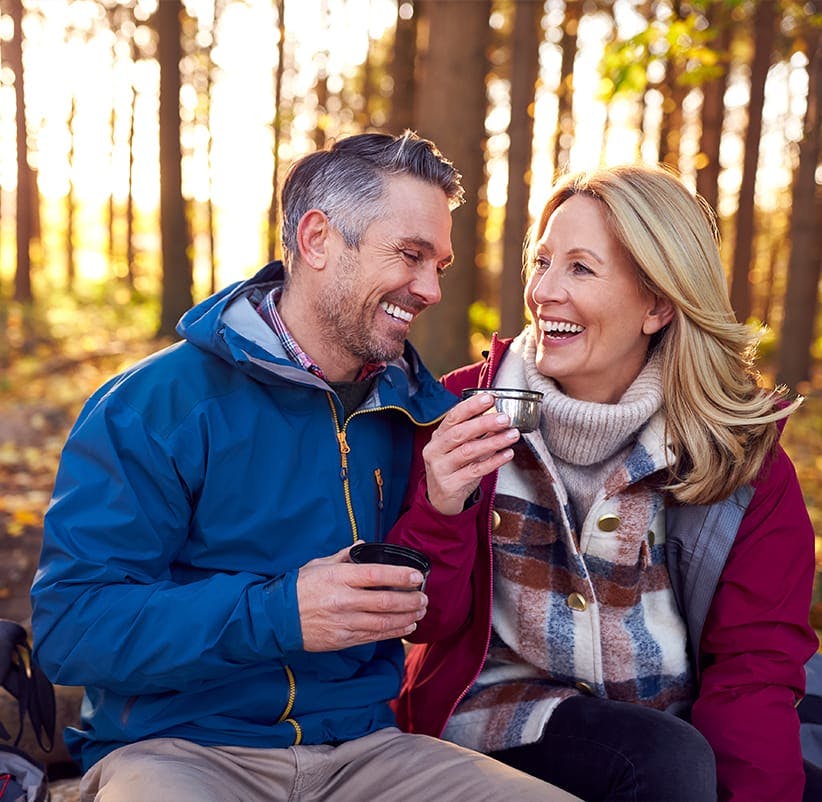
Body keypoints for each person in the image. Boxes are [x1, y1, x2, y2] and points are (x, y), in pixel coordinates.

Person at [30, 131, 579, 802]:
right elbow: (72, 627)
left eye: (439, 263)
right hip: (178, 753)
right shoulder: (155, 406)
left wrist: (441, 507)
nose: (432, 288)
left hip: (365, 753)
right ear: (318, 239)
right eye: (410, 255)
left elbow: (430, 623)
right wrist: (279, 613)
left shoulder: (414, 411)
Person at [386, 163, 818, 801]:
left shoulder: (738, 456)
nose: (544, 291)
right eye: (543, 261)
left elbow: (752, 668)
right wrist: (442, 508)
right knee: (664, 762)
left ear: (658, 304)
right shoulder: (462, 413)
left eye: (581, 268)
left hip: (675, 705)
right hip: (503, 714)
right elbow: (426, 624)